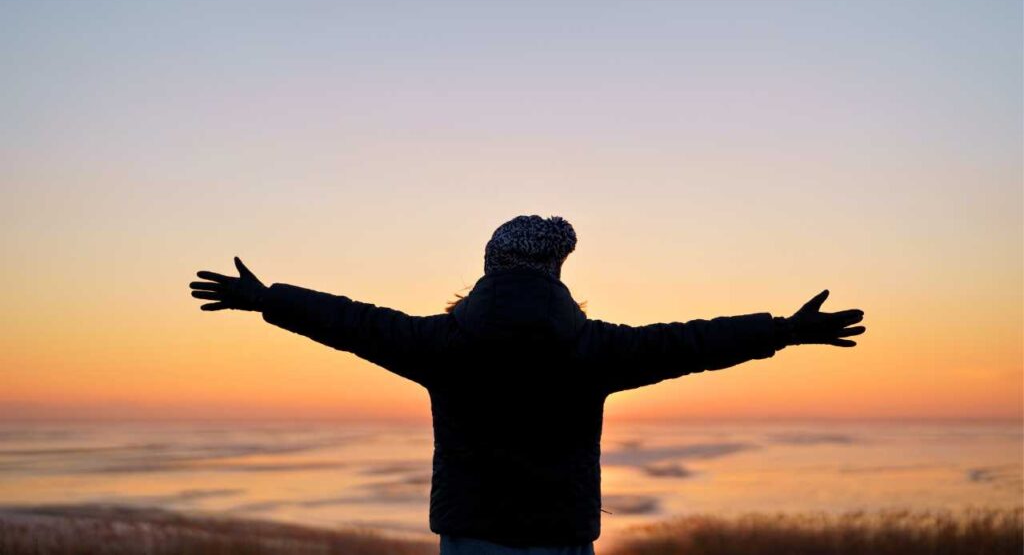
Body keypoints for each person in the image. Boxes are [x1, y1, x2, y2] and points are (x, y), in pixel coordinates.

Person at [189, 214, 865, 555]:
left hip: (472, 535)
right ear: (559, 275)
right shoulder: (593, 349)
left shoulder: (443, 344)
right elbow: (690, 342)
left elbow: (355, 323)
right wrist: (780, 330)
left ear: (488, 271)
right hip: (561, 535)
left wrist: (269, 299)